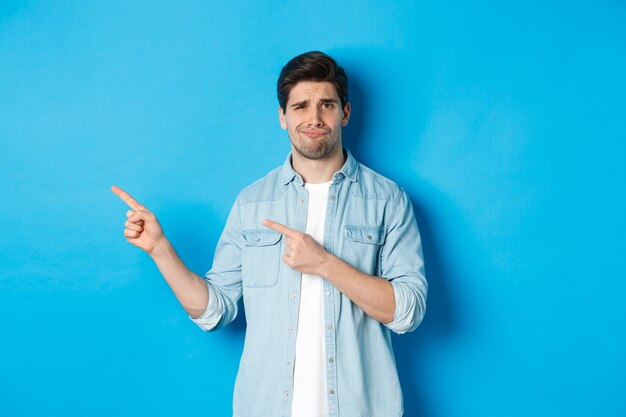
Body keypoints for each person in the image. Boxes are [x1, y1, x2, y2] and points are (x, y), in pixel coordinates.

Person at [112, 51, 427, 417]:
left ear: (345, 112)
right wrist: (160, 249)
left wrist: (325, 263)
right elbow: (215, 310)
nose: (313, 118)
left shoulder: (387, 199)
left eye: (326, 104)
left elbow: (408, 310)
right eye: (300, 106)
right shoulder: (252, 203)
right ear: (282, 117)